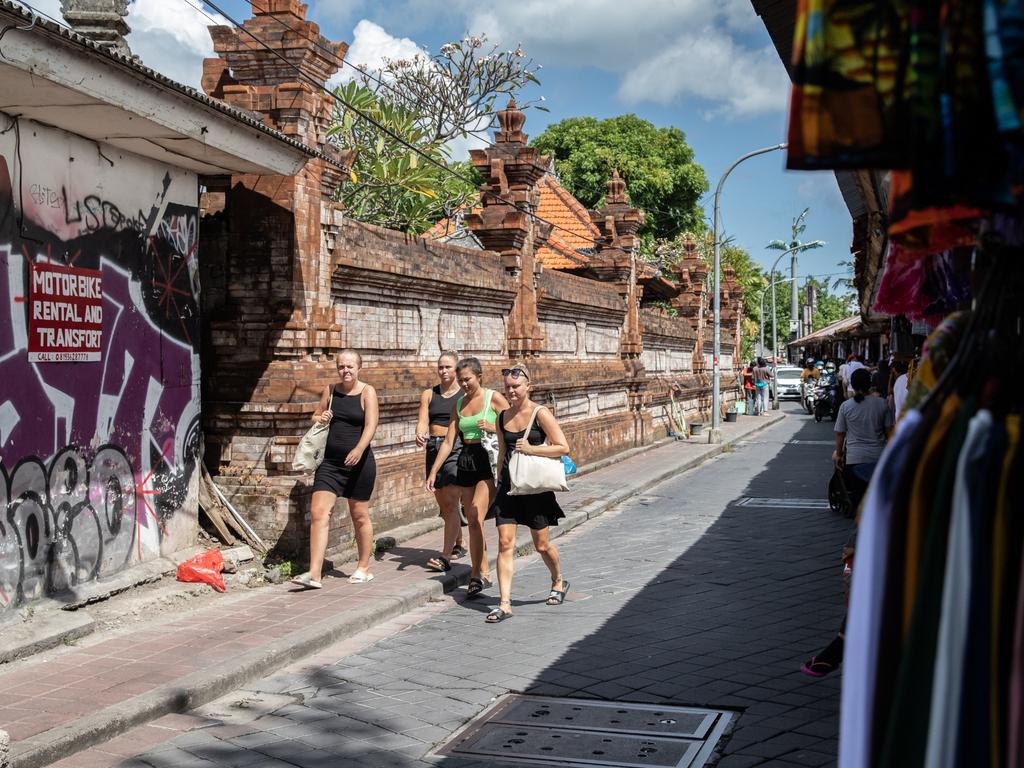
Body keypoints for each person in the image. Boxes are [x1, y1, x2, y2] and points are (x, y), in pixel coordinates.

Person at [486, 363, 570, 623]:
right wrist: (497, 481)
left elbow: (562, 447)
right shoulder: (502, 417)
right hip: (509, 487)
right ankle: (504, 603)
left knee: (541, 545)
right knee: (504, 543)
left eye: (516, 387)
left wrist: (532, 449)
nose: (510, 391)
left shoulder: (541, 413)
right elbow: (501, 451)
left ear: (528, 387)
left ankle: (558, 581)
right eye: (507, 387)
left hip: (534, 487)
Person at [293, 349, 379, 589]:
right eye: (341, 366)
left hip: (359, 464)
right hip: (329, 464)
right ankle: (314, 573)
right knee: (319, 513)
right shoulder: (330, 391)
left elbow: (372, 425)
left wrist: (360, 449)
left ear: (359, 367)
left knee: (359, 515)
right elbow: (316, 415)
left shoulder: (367, 392)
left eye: (350, 366)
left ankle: (363, 567)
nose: (346, 371)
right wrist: (321, 418)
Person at [427, 357, 510, 598]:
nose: (464, 384)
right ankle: (481, 572)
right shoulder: (459, 403)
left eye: (468, 380)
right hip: (467, 460)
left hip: (489, 459)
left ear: (479, 376)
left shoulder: (493, 398)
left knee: (474, 511)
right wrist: (434, 471)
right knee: (474, 521)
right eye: (461, 380)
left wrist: (494, 427)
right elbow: (449, 441)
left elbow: (514, 425)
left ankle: (477, 573)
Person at [416, 351, 467, 573]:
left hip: (455, 446)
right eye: (440, 367)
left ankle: (445, 556)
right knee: (445, 504)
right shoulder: (429, 394)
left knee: (450, 500)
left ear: (456, 370)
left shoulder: (464, 395)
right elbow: (422, 421)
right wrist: (419, 433)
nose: (443, 371)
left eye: (448, 367)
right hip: (434, 447)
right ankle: (459, 541)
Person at [833, 367, 893, 507]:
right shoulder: (882, 403)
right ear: (869, 384)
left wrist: (839, 454)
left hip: (854, 460)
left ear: (852, 385)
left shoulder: (846, 406)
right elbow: (890, 431)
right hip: (878, 458)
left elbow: (840, 434)